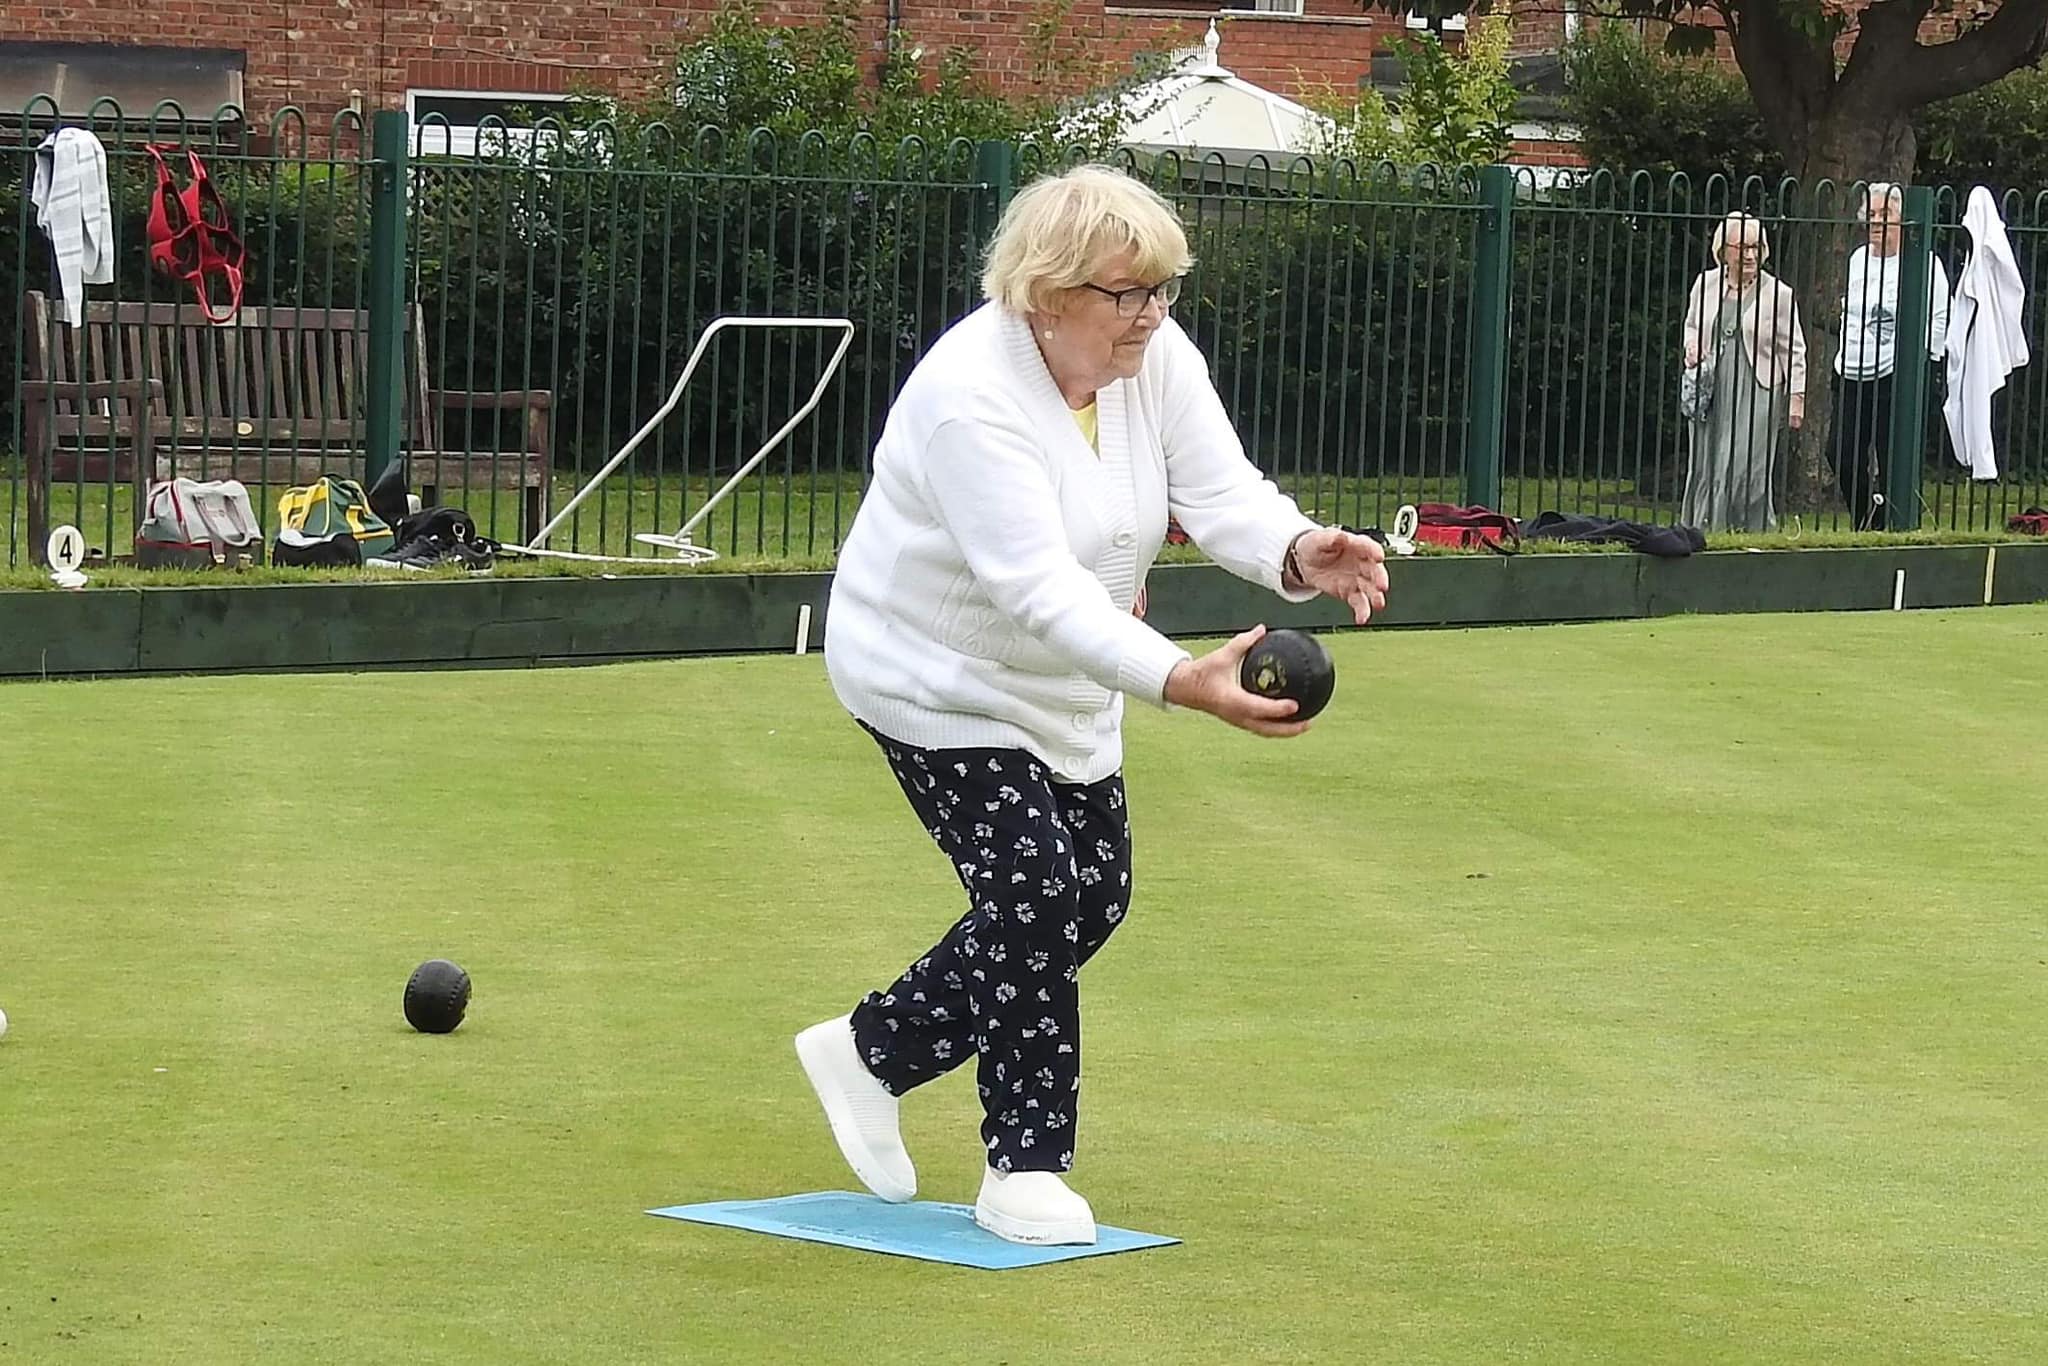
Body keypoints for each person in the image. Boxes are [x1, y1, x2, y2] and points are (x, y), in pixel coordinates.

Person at [795, 164, 1390, 1247]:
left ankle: (869, 1050)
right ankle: (1023, 1166)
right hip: (931, 674)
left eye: (1162, 288)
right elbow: (1035, 592)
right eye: (1126, 292)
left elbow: (1217, 489)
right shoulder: (968, 397)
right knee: (1031, 887)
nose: (1150, 313)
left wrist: (1297, 546)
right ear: (1045, 292)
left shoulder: (1148, 359)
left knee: (1094, 897)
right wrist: (1183, 679)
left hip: (1068, 676)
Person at [1832, 182, 1951, 530]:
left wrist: (1920, 365)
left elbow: (1940, 318)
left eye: (1886, 214)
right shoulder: (1857, 259)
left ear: (1902, 219)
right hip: (1851, 370)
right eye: (1871, 215)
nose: (1877, 222)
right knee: (1840, 452)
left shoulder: (1924, 263)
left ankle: (1897, 527)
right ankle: (1868, 520)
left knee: (1892, 457)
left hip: (1895, 374)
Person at [1679, 213, 1808, 533]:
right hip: (1712, 389)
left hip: (1758, 389)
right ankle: (1703, 528)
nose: (1750, 255)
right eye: (1742, 247)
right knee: (1706, 460)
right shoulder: (1705, 284)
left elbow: (1794, 349)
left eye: (1756, 247)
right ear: (1723, 250)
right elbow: (1692, 325)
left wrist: (1796, 398)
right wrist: (1691, 346)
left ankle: (1753, 532)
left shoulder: (1779, 294)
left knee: (1746, 464)